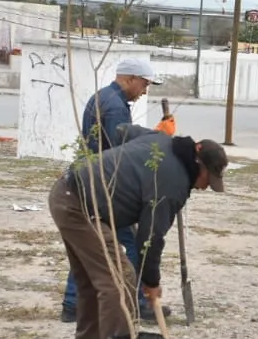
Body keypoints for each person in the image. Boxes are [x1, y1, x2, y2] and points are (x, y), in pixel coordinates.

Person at [49, 131, 227, 339]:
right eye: (209, 179)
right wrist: (151, 282)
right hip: (80, 207)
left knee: (95, 278)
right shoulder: (172, 184)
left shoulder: (162, 140)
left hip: (67, 191)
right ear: (199, 165)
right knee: (120, 280)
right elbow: (151, 238)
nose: (206, 187)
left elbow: (121, 129)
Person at [59, 57, 176, 322]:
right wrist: (158, 136)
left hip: (92, 181)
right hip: (104, 187)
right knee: (133, 246)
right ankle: (136, 303)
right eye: (144, 84)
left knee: (89, 244)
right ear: (130, 79)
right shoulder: (114, 107)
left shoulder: (105, 98)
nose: (145, 90)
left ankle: (72, 304)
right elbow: (120, 149)